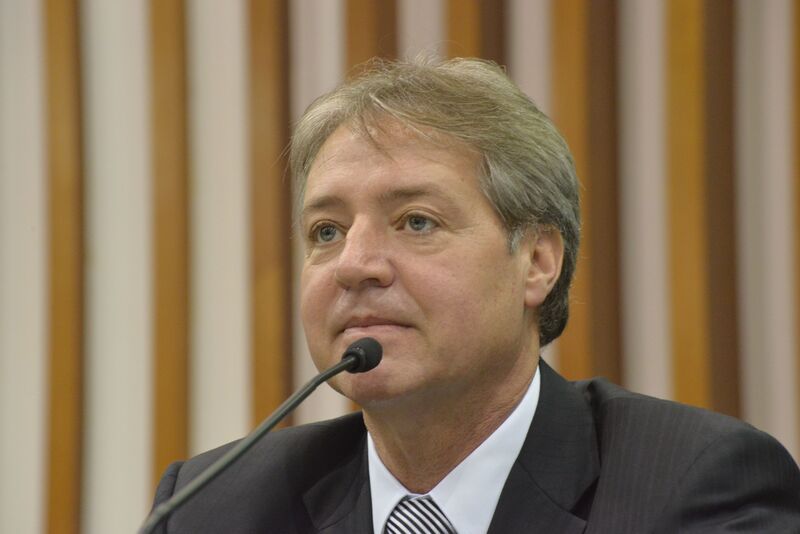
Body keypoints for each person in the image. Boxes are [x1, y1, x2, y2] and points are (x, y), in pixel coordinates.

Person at [151, 58, 800, 533]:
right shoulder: (215, 507)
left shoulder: (692, 486)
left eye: (417, 222)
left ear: (537, 263)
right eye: (327, 231)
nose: (353, 265)